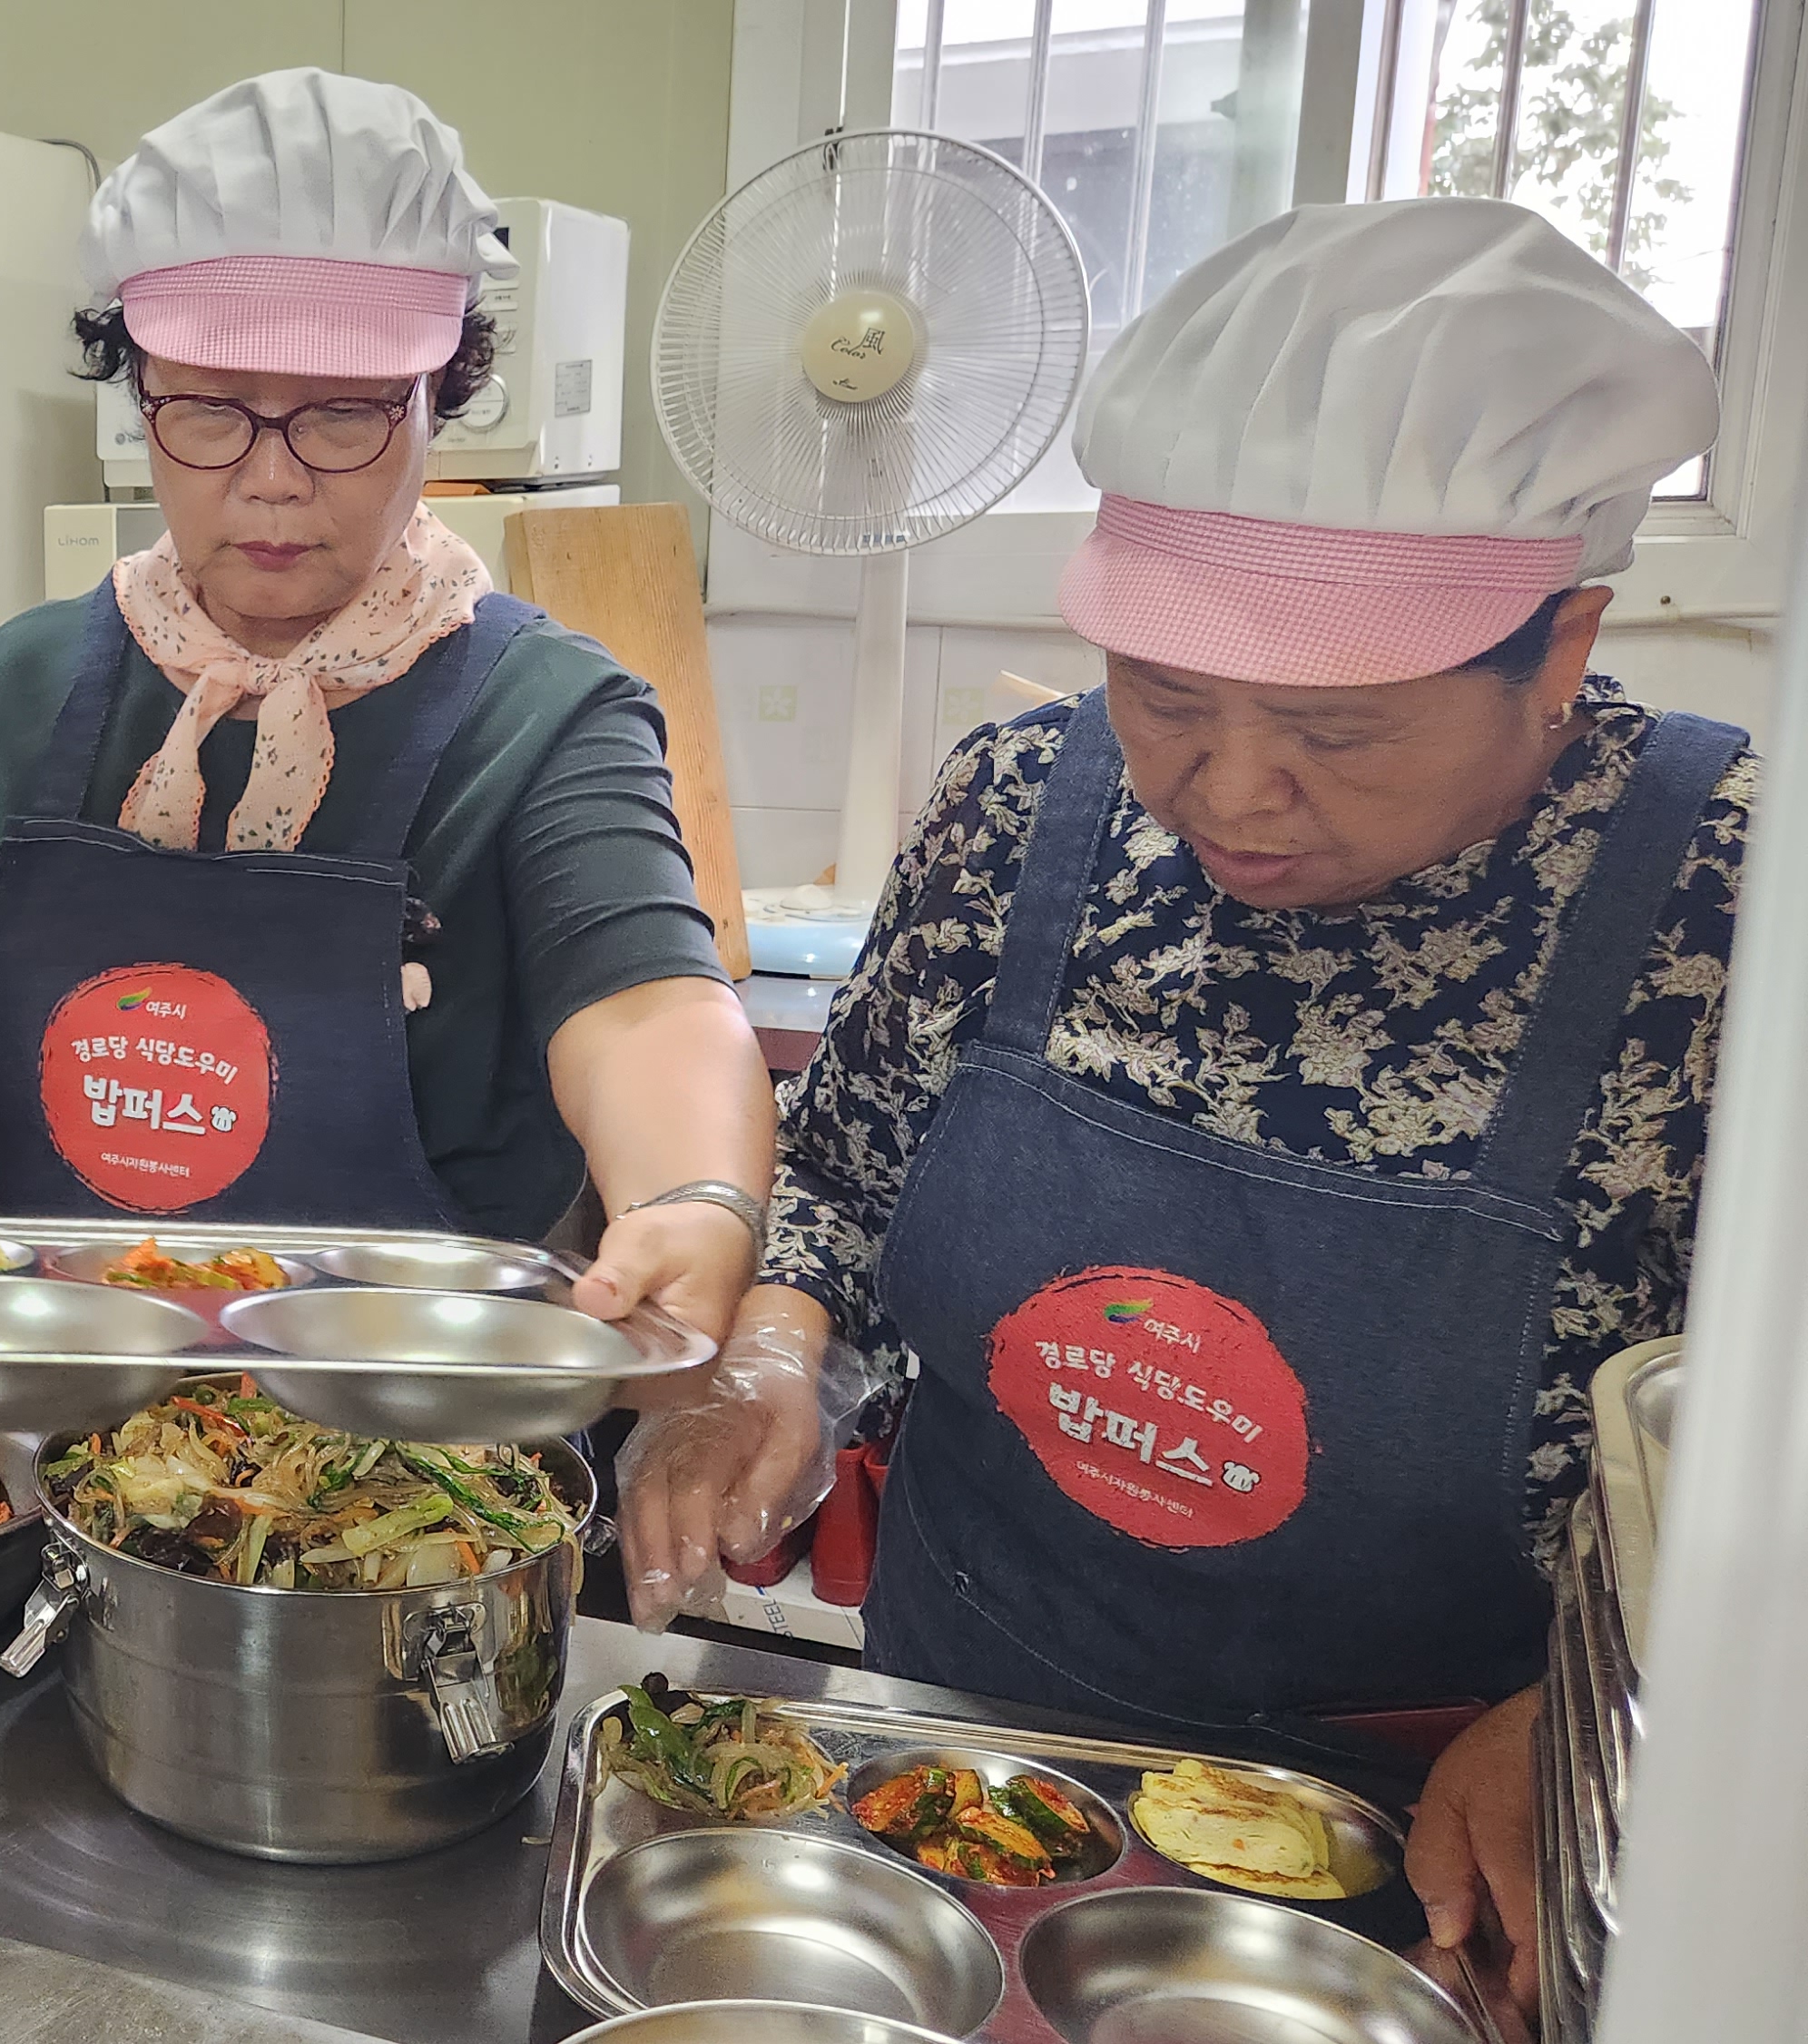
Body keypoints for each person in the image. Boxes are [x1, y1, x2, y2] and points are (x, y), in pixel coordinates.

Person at [624, 199, 1744, 2010]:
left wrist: (1607, 1710)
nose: (1228, 787)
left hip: (1423, 1874)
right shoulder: (1013, 810)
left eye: (1341, 727)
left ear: (1560, 645)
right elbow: (834, 1190)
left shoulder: (1730, 920)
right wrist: (770, 1348)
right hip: (960, 1771)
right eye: (1160, 693)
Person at [0, 70, 774, 1338]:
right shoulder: (26, 683)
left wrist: (695, 1198)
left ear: (444, 393)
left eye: (341, 415)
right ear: (137, 390)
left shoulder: (546, 716)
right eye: (208, 409)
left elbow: (651, 1011)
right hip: (77, 1408)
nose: (269, 483)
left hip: (424, 1462)